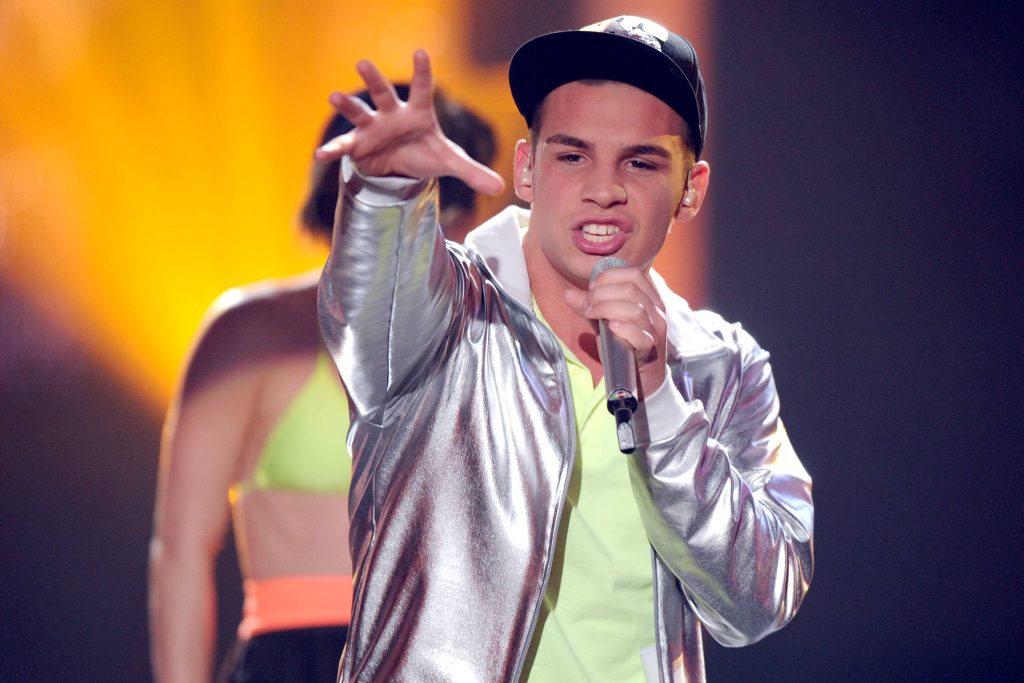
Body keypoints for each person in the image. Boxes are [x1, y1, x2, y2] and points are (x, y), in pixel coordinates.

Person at [317, 15, 814, 683]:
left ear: (691, 189)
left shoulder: (723, 365)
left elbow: (760, 601)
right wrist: (384, 192)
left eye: (641, 161)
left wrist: (660, 398)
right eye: (573, 155)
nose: (603, 189)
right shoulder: (446, 315)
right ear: (527, 169)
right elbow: (365, 312)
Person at [148, 88, 496, 683]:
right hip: (296, 658)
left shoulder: (497, 336)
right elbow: (179, 552)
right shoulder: (250, 332)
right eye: (378, 178)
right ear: (338, 192)